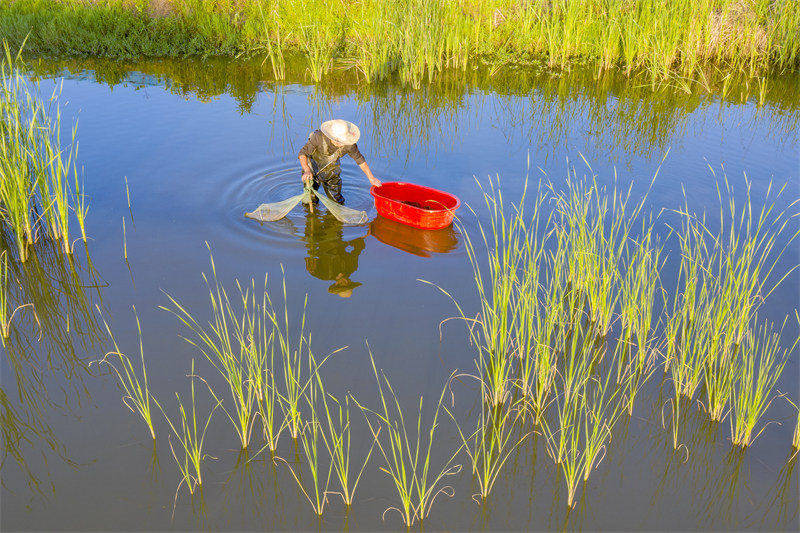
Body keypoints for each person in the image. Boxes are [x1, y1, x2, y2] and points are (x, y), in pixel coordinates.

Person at [298, 119, 381, 204]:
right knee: (310, 201)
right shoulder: (318, 137)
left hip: (332, 171)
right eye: (339, 141)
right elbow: (303, 154)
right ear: (332, 137)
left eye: (343, 141)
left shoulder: (349, 144)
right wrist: (307, 170)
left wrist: (371, 178)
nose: (342, 144)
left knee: (337, 201)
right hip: (312, 170)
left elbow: (359, 159)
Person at [303, 210, 366, 298]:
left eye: (341, 285)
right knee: (333, 215)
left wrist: (311, 252)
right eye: (348, 284)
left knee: (312, 214)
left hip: (317, 241)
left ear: (336, 284)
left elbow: (310, 263)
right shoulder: (351, 267)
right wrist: (359, 238)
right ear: (350, 281)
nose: (344, 282)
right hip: (336, 237)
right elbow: (358, 250)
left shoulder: (323, 274)